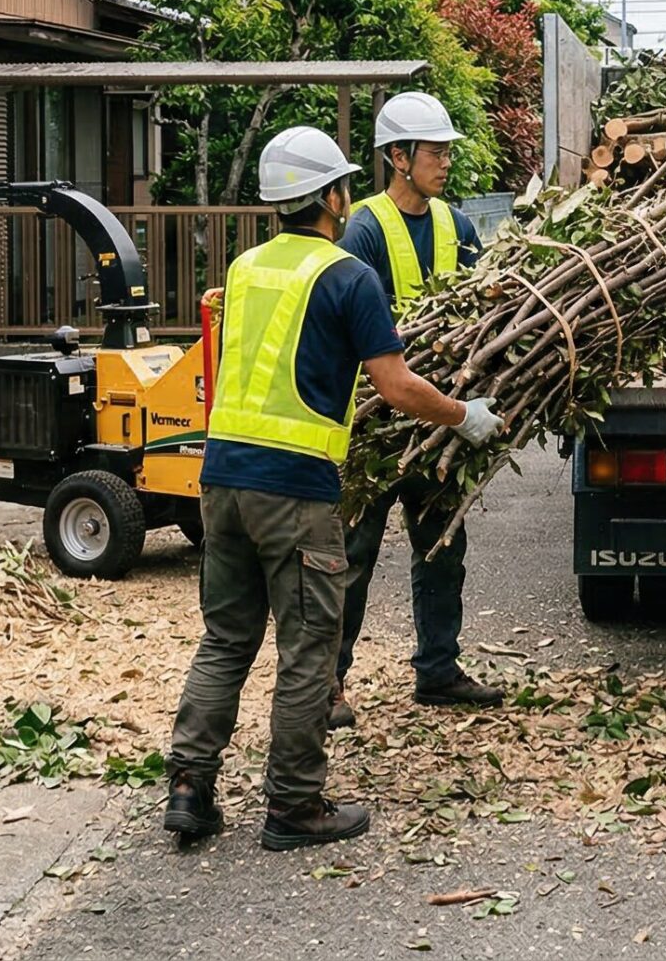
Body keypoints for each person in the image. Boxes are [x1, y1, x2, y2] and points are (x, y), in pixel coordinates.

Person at [162, 126, 503, 851]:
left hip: (221, 479)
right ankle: (294, 805)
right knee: (308, 648)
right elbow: (396, 385)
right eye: (343, 185)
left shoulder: (245, 268)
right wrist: (463, 414)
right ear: (332, 196)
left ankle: (189, 786)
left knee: (226, 638)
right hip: (294, 487)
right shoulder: (348, 275)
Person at [331, 92, 500, 730]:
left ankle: (438, 670)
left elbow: (485, 313)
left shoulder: (459, 226)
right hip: (379, 420)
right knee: (353, 554)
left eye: (448, 152)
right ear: (398, 157)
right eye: (435, 152)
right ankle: (328, 684)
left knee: (442, 546)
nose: (446, 162)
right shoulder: (364, 229)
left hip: (439, 417)